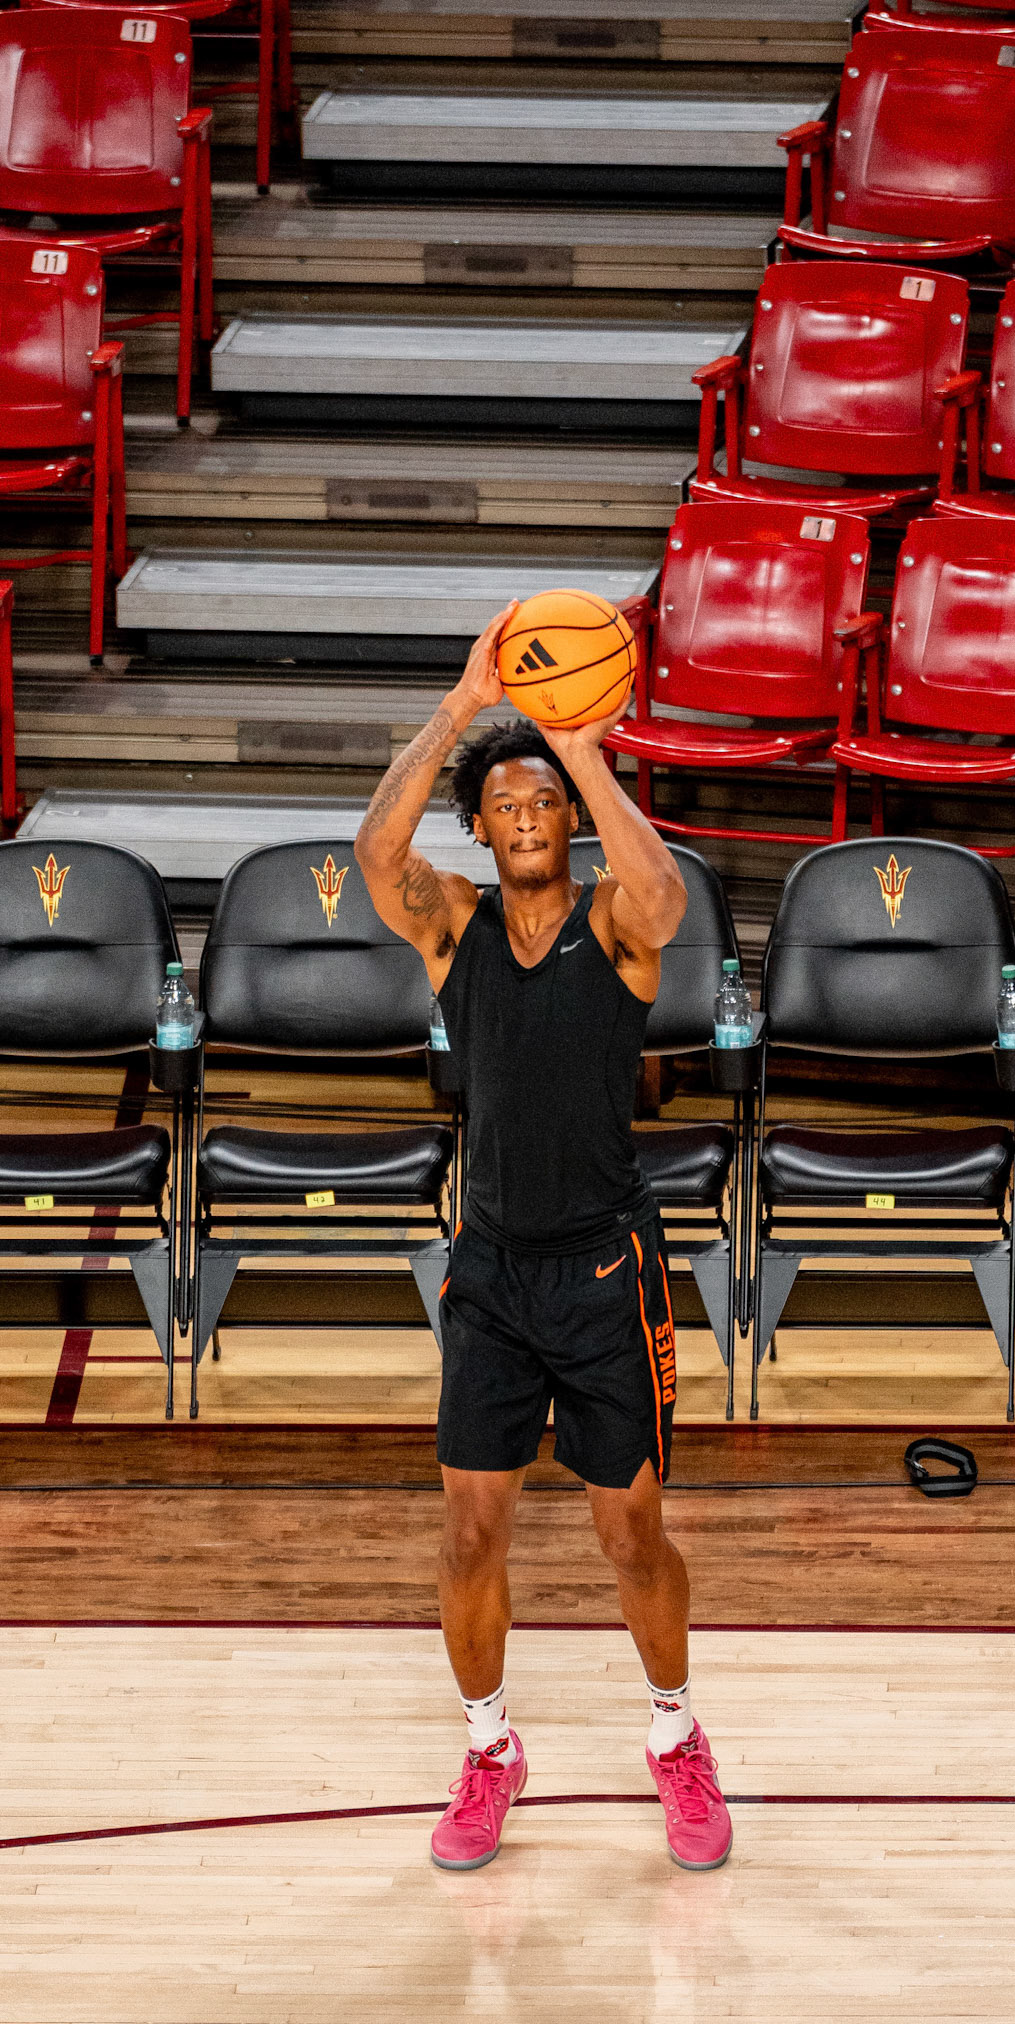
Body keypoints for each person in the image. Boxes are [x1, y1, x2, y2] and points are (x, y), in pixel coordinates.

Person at [355, 606, 731, 1876]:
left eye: (543, 802)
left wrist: (576, 747)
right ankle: (486, 1747)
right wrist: (467, 708)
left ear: (565, 818)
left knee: (630, 1530)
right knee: (469, 1530)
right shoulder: (452, 923)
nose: (524, 815)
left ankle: (677, 1736)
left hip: (606, 1270)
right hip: (491, 1272)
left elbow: (671, 893)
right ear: (483, 827)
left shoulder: (617, 926)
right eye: (504, 803)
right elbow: (374, 848)